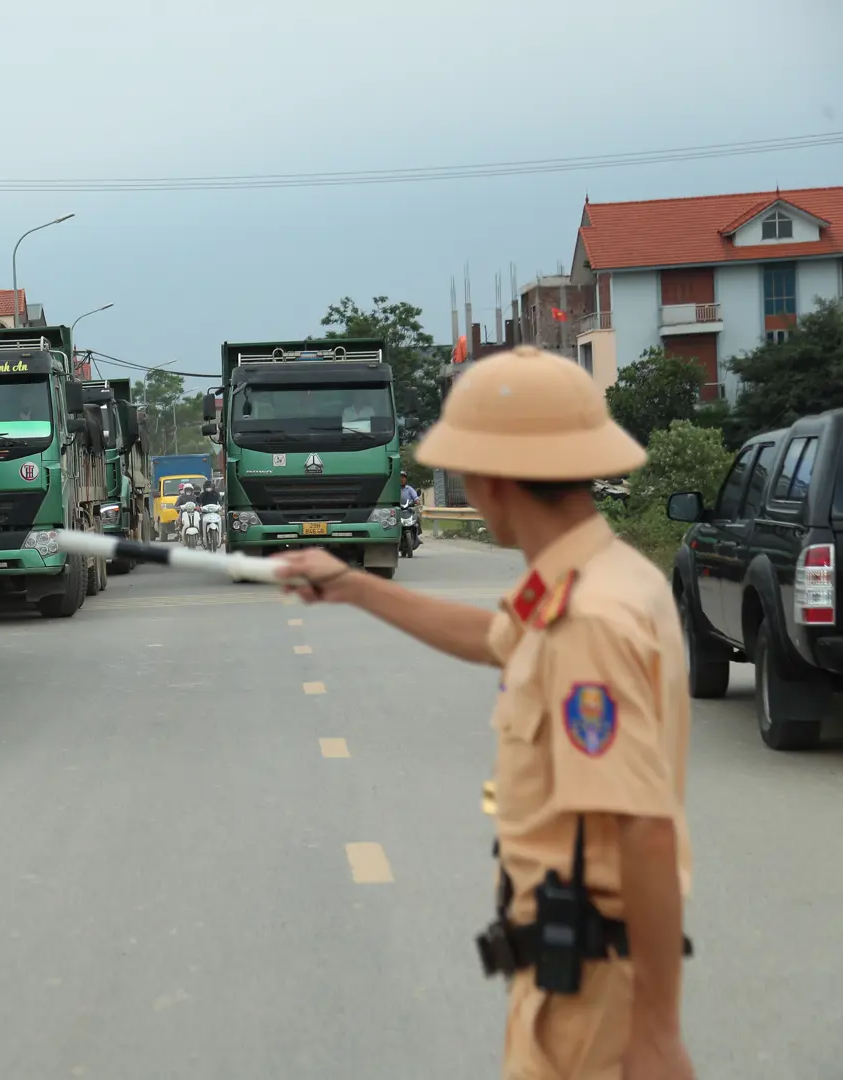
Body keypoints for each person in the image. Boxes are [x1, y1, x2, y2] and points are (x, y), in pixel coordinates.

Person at [273, 346, 695, 1080]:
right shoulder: (593, 575)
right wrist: (355, 588)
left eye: (467, 465)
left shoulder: (587, 617)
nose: (462, 481)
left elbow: (645, 828)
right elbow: (498, 637)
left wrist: (657, 1031)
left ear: (495, 480)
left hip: (592, 993)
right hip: (570, 972)